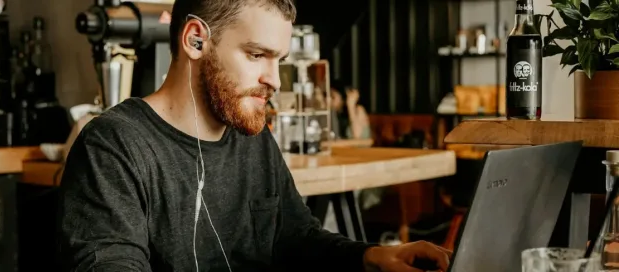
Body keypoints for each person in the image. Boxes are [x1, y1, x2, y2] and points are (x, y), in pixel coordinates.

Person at [57, 0, 452, 271]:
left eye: (278, 59)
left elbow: (296, 239)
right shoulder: (114, 147)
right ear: (196, 40)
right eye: (255, 54)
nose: (274, 80)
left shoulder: (252, 135)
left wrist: (375, 257)